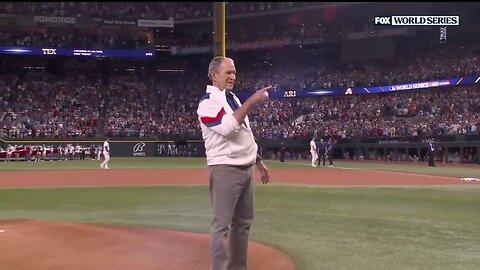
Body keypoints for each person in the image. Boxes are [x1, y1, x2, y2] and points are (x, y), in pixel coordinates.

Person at [196, 56, 271, 270]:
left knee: (243, 224)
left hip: (246, 167)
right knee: (221, 227)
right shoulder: (207, 102)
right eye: (228, 72)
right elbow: (228, 129)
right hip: (225, 169)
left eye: (234, 72)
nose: (232, 76)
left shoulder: (232, 98)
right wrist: (252, 101)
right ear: (214, 75)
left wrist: (258, 162)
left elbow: (245, 134)